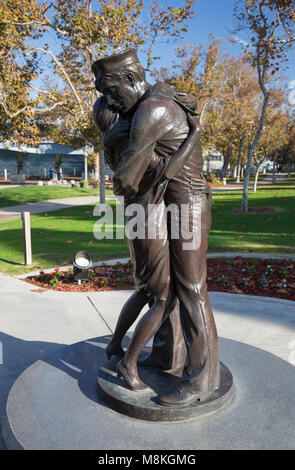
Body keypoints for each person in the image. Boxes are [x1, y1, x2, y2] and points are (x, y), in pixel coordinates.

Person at [92, 49, 220, 406]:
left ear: (132, 81)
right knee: (171, 288)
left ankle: (203, 379)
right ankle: (167, 354)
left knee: (191, 288)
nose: (111, 103)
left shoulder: (151, 111)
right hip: (173, 200)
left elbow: (127, 182)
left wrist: (118, 138)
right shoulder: (156, 98)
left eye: (113, 93)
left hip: (188, 202)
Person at [93, 95, 201, 386]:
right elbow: (169, 168)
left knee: (144, 291)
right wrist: (194, 134)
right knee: (164, 299)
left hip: (137, 220)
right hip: (148, 222)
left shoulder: (114, 142)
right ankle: (128, 364)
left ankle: (116, 345)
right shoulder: (133, 147)